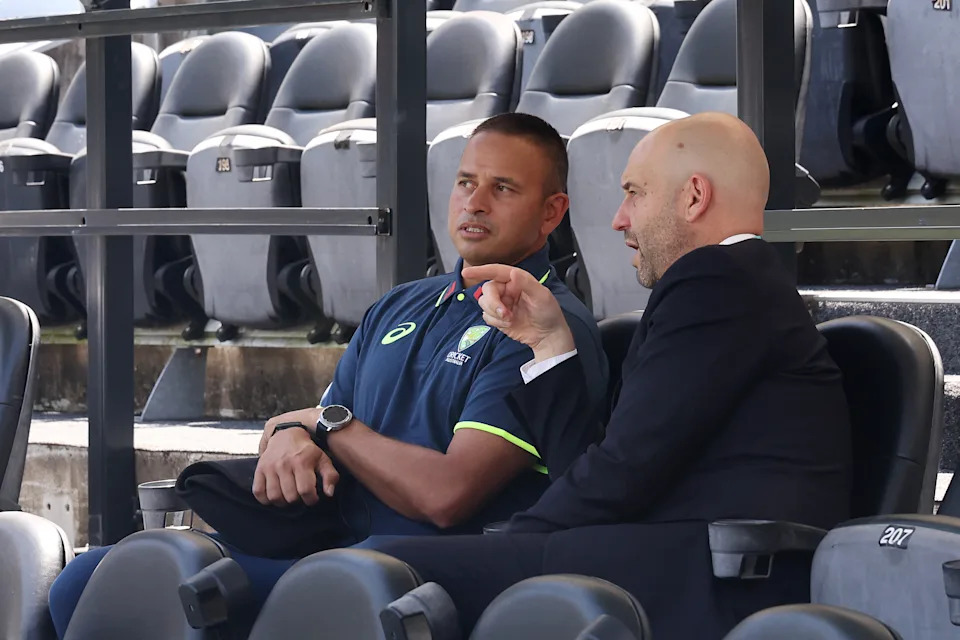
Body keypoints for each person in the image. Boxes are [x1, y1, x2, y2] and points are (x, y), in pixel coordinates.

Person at [46, 113, 609, 638]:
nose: (475, 202)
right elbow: (312, 424)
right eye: (465, 182)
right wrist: (290, 437)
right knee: (85, 579)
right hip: (321, 541)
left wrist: (325, 425)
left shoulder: (543, 327)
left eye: (503, 188)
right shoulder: (401, 304)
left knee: (151, 590)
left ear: (551, 212)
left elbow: (445, 495)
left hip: (411, 572)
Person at [371, 112, 853, 638]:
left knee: (386, 571)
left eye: (634, 194)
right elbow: (606, 466)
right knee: (393, 567)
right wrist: (549, 344)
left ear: (694, 196)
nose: (619, 220)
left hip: (715, 578)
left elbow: (623, 471)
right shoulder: (731, 285)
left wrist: (512, 540)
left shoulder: (718, 281)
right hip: (670, 558)